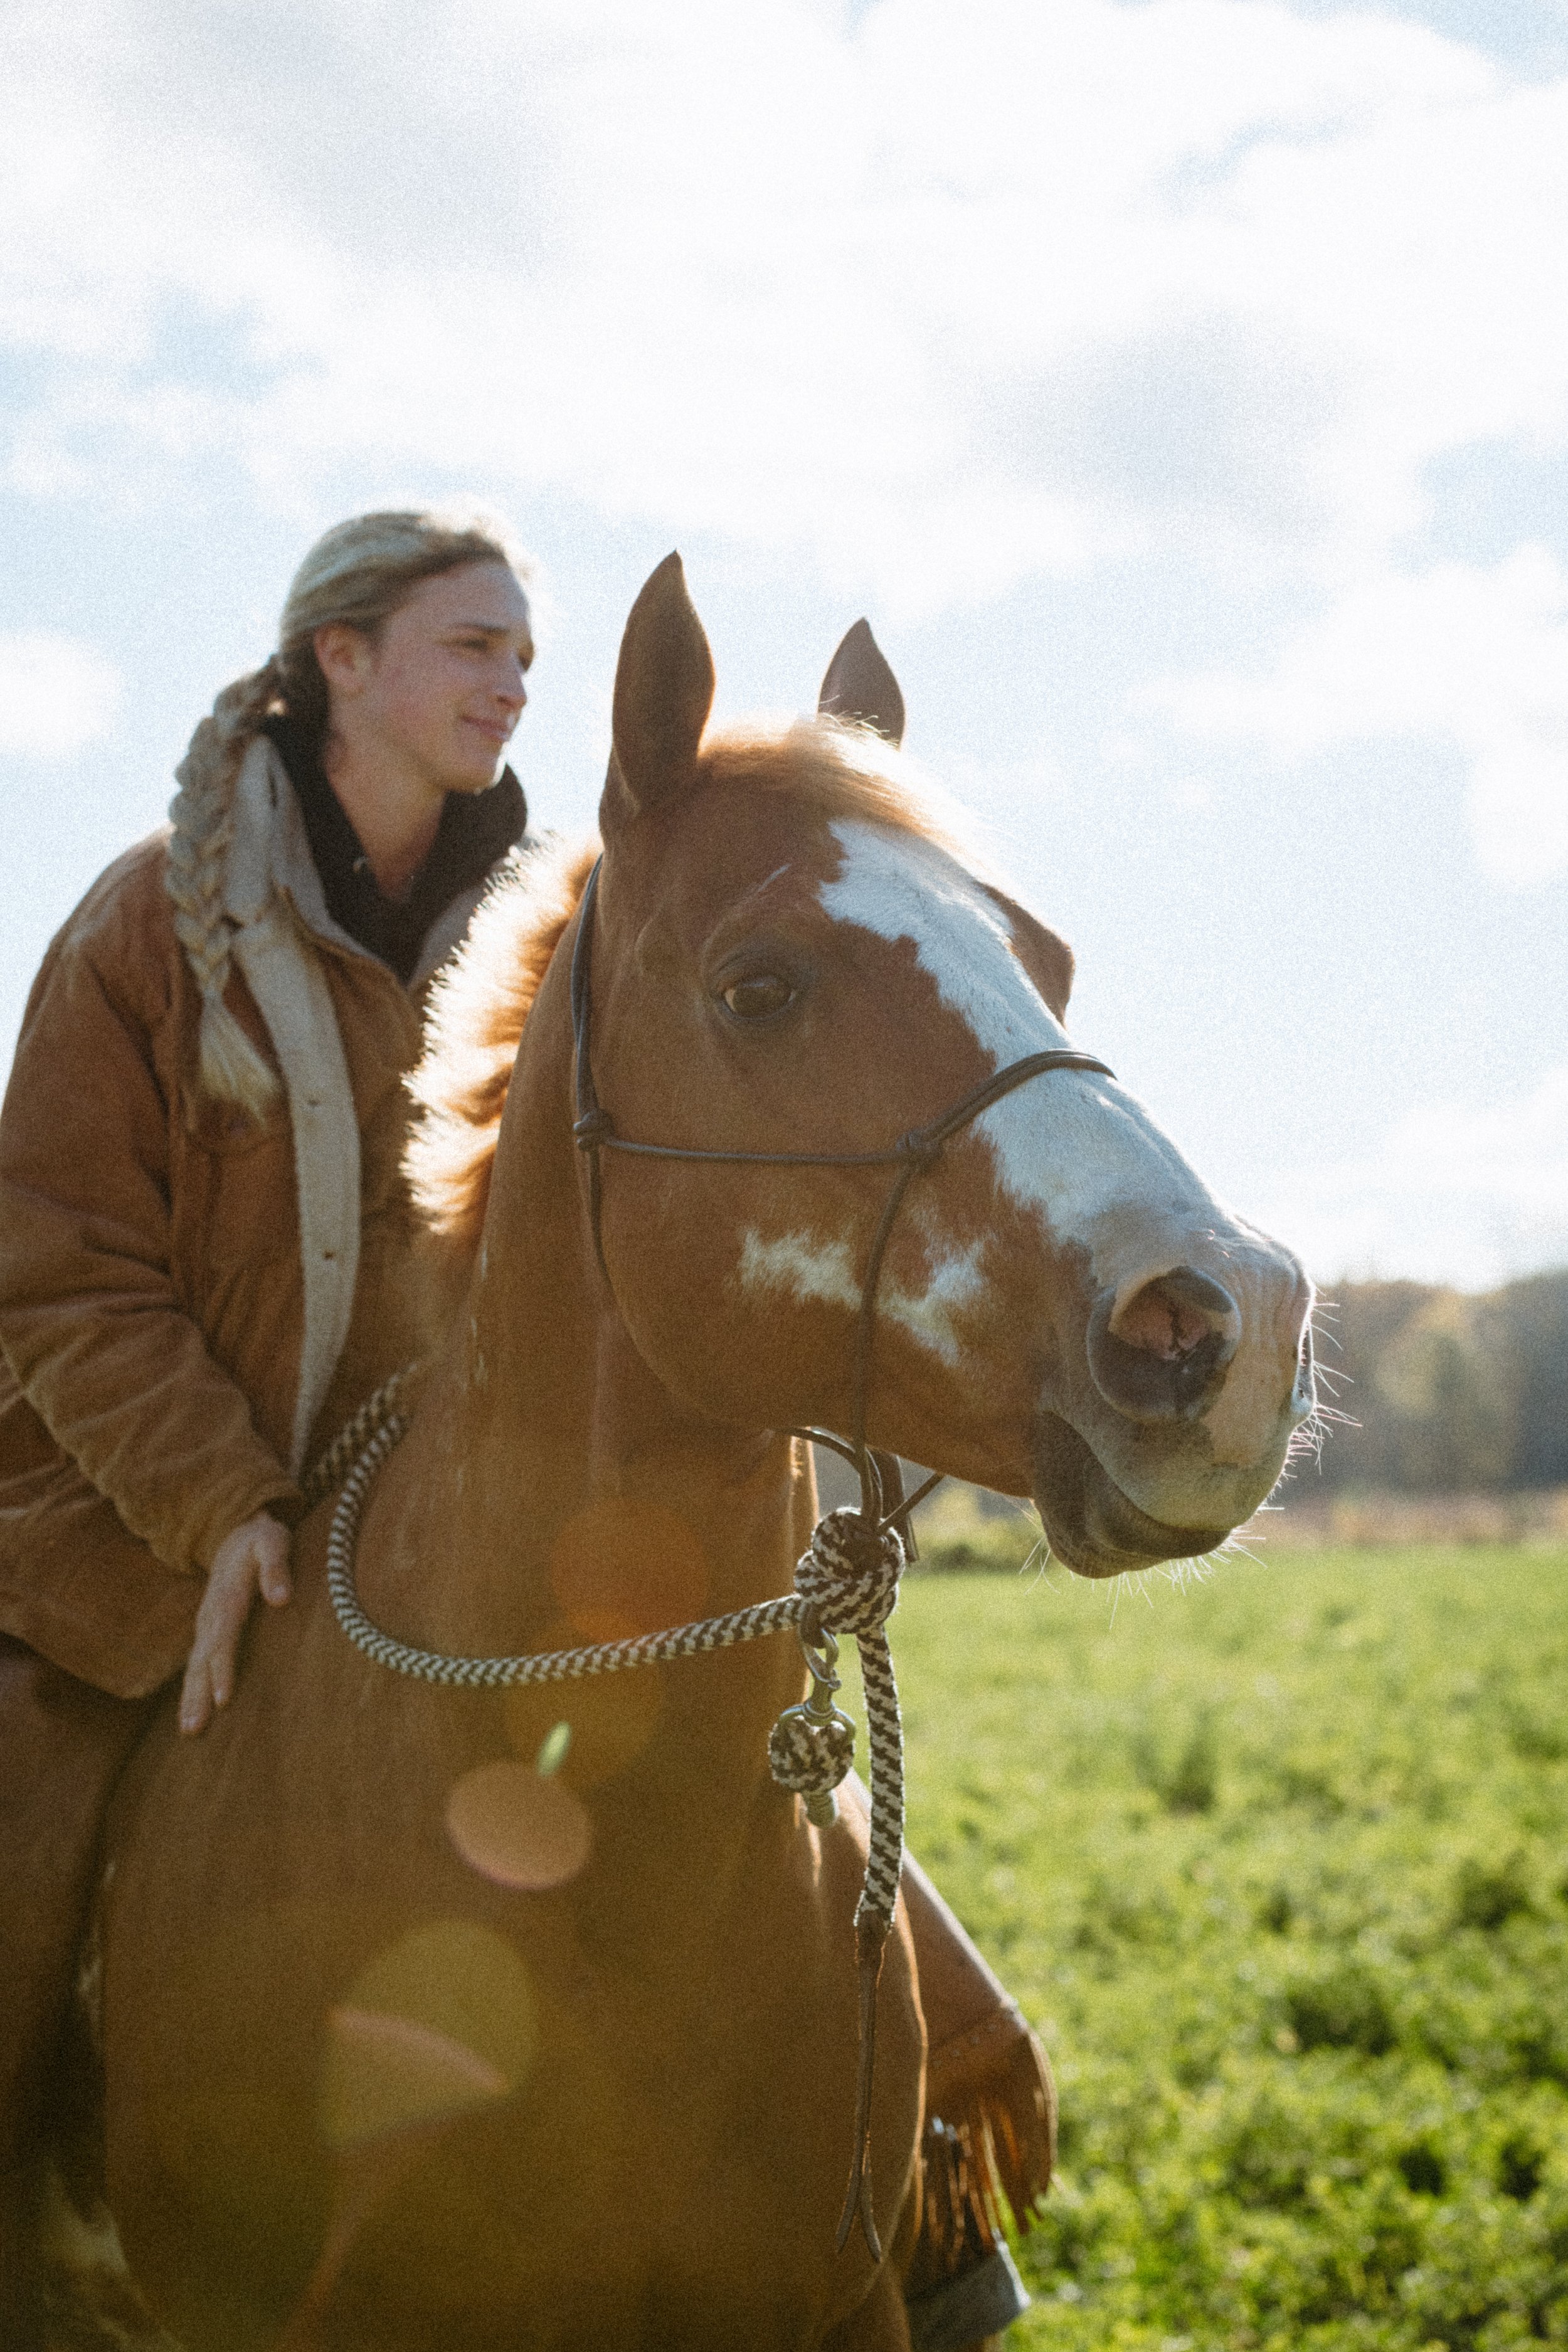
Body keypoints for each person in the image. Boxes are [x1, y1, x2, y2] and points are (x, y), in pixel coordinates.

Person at [0, 509, 1050, 2335]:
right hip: (149, 1519)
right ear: (340, 659)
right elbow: (60, 1263)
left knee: (783, 1805)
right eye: (472, 645)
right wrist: (220, 1505)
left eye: (526, 659)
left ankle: (909, 2223)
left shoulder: (578, 923)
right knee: (23, 1820)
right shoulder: (151, 924)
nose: (510, 685)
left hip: (464, 1499)